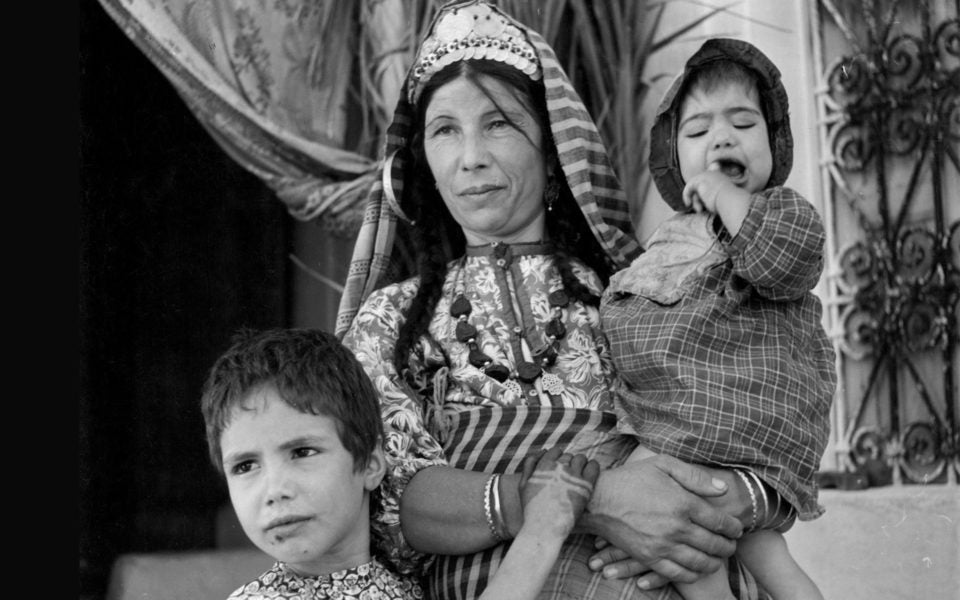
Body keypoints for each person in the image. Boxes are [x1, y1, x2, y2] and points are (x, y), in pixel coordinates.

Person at [337, 2, 798, 598]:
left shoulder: (639, 294)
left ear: (554, 151)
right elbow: (391, 504)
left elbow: (748, 413)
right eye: (445, 129)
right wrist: (590, 498)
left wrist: (735, 495)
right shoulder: (391, 323)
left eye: (498, 123)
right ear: (421, 161)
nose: (471, 155)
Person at [598, 38, 834, 600]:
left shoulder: (779, 211)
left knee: (684, 530)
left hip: (740, 428)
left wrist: (729, 194)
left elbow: (787, 262)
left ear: (775, 143)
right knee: (771, 565)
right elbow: (628, 325)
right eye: (698, 131)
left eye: (743, 124)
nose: (722, 137)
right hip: (689, 427)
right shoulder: (666, 243)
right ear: (674, 159)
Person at [200, 327, 605, 600]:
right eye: (245, 466)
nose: (275, 490)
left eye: (302, 452)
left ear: (372, 463)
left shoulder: (402, 583)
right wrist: (542, 531)